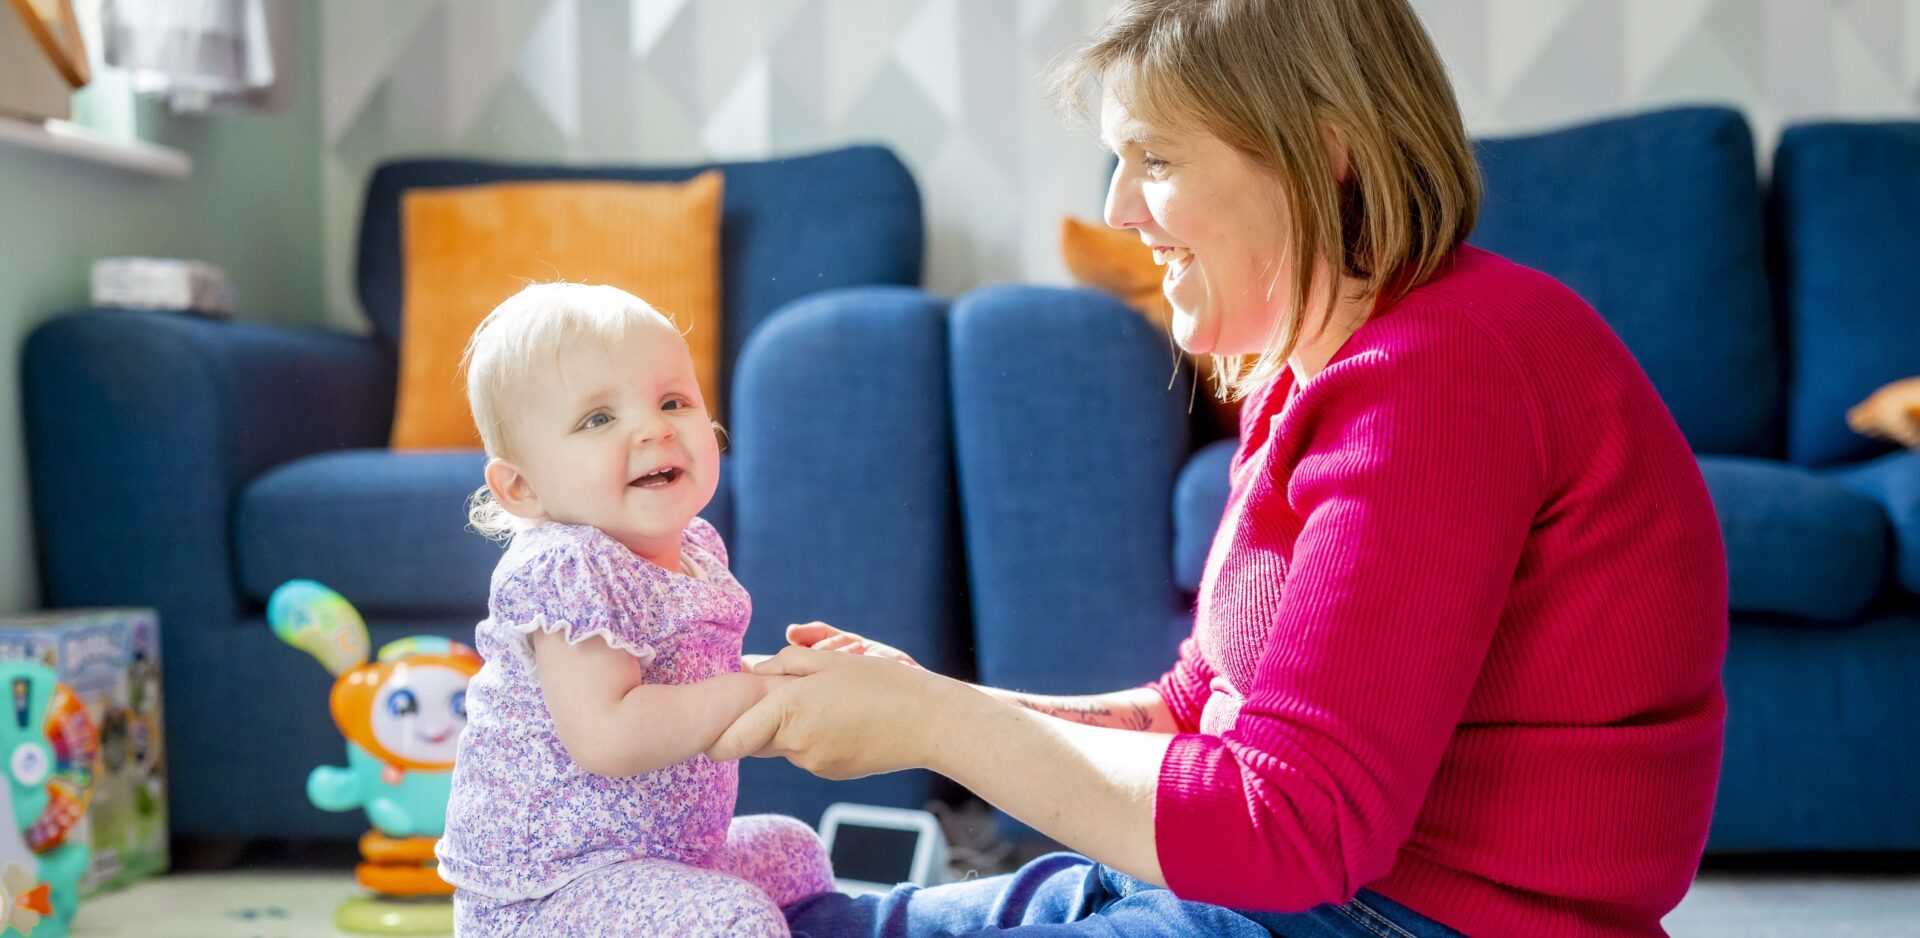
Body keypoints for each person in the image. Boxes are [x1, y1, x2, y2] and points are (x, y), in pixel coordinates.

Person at [708, 2, 1728, 936]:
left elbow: (1297, 826)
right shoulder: (1312, 364)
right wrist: (911, 693)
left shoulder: (1441, 374)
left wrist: (936, 722)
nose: (1117, 209)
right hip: (1281, 896)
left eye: (1153, 158)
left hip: (1406, 916)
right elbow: (1202, 708)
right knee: (792, 916)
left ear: (1320, 153)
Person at [436, 283, 832, 936]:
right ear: (523, 486)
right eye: (598, 419)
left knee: (795, 851)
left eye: (673, 401)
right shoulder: (568, 568)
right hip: (553, 895)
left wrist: (793, 679)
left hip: (659, 865)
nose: (654, 428)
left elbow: (690, 690)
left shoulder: (695, 548)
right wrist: (757, 689)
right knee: (736, 922)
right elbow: (612, 732)